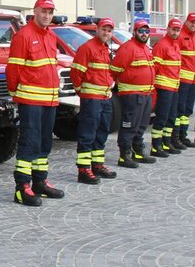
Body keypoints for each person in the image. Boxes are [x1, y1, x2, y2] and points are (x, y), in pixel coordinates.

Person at [6, 0, 64, 206]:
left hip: (49, 101)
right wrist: (15, 92)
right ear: (35, 11)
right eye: (43, 11)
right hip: (31, 101)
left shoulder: (50, 36)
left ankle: (40, 182)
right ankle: (22, 187)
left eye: (50, 12)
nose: (47, 15)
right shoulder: (24, 36)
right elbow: (13, 69)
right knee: (29, 143)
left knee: (44, 143)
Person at [70, 17, 117, 184]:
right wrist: (82, 93)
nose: (106, 33)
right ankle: (83, 170)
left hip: (104, 98)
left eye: (109, 30)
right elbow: (76, 73)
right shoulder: (88, 48)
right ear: (97, 29)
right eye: (104, 29)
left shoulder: (105, 48)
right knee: (87, 134)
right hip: (91, 99)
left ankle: (97, 164)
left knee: (102, 132)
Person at [111, 19, 157, 168]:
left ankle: (137, 151)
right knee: (129, 126)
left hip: (145, 94)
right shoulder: (128, 48)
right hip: (132, 95)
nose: (144, 34)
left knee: (141, 125)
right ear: (135, 32)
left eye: (146, 31)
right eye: (141, 31)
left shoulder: (145, 48)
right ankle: (124, 156)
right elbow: (115, 70)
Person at [151, 17, 184, 157]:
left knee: (171, 117)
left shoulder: (175, 45)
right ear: (168, 29)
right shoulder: (162, 45)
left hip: (174, 87)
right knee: (161, 117)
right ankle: (156, 145)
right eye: (174, 29)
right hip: (164, 87)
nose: (176, 32)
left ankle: (166, 142)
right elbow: (155, 68)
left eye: (178, 30)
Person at [175, 12, 195, 149]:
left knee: (187, 111)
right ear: (186, 22)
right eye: (191, 22)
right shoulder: (181, 36)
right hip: (183, 79)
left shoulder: (194, 37)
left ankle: (183, 136)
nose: (194, 24)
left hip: (193, 80)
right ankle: (176, 137)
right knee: (179, 110)